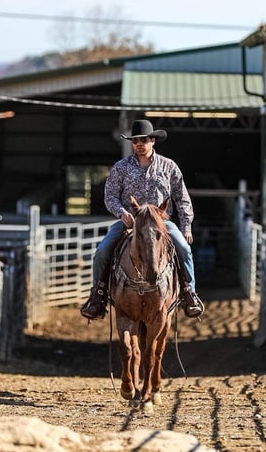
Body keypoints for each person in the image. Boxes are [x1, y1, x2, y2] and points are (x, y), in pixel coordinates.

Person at [80, 119, 205, 320]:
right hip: (130, 221)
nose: (139, 144)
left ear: (152, 141)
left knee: (184, 248)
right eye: (135, 140)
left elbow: (182, 197)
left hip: (160, 223)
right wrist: (122, 213)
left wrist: (186, 226)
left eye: (143, 140)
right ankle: (98, 295)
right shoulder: (121, 167)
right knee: (102, 250)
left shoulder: (169, 166)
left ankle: (189, 293)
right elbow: (110, 195)